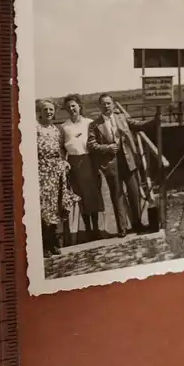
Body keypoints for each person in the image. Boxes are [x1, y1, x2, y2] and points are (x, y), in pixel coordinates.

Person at [87, 93, 156, 238]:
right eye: (103, 104)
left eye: (108, 103)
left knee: (134, 192)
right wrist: (107, 148)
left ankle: (137, 224)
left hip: (128, 160)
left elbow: (136, 125)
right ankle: (122, 227)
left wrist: (154, 120)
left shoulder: (121, 118)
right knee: (117, 195)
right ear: (99, 106)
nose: (106, 106)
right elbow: (91, 145)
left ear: (113, 104)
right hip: (111, 163)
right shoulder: (94, 125)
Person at [37, 99, 80, 257]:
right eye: (45, 109)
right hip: (41, 171)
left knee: (55, 206)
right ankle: (45, 245)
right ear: (39, 112)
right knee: (43, 207)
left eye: (51, 109)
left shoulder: (56, 130)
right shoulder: (36, 128)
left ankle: (54, 243)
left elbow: (60, 150)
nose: (48, 112)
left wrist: (63, 162)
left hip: (55, 172)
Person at [60, 94, 105, 241]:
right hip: (74, 163)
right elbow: (62, 148)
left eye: (74, 105)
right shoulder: (64, 127)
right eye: (68, 107)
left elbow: (97, 142)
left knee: (93, 196)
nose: (71, 109)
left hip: (89, 161)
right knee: (81, 197)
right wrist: (64, 161)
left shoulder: (89, 123)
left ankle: (97, 228)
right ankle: (88, 229)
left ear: (79, 106)